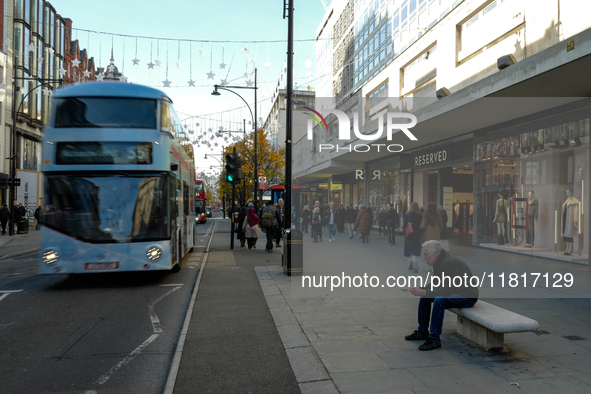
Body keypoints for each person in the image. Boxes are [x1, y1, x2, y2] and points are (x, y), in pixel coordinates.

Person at [405, 240, 479, 351]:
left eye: (426, 254)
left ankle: (435, 338)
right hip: (455, 292)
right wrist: (421, 289)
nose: (424, 257)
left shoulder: (450, 263)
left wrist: (425, 292)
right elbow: (436, 283)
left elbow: (448, 289)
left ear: (435, 254)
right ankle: (422, 331)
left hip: (467, 296)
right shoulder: (439, 260)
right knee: (425, 297)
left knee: (439, 300)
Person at [404, 202, 423, 273]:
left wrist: (405, 234)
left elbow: (404, 225)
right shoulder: (420, 216)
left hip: (409, 234)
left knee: (412, 251)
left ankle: (415, 265)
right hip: (417, 235)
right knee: (414, 249)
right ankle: (411, 265)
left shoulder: (408, 215)